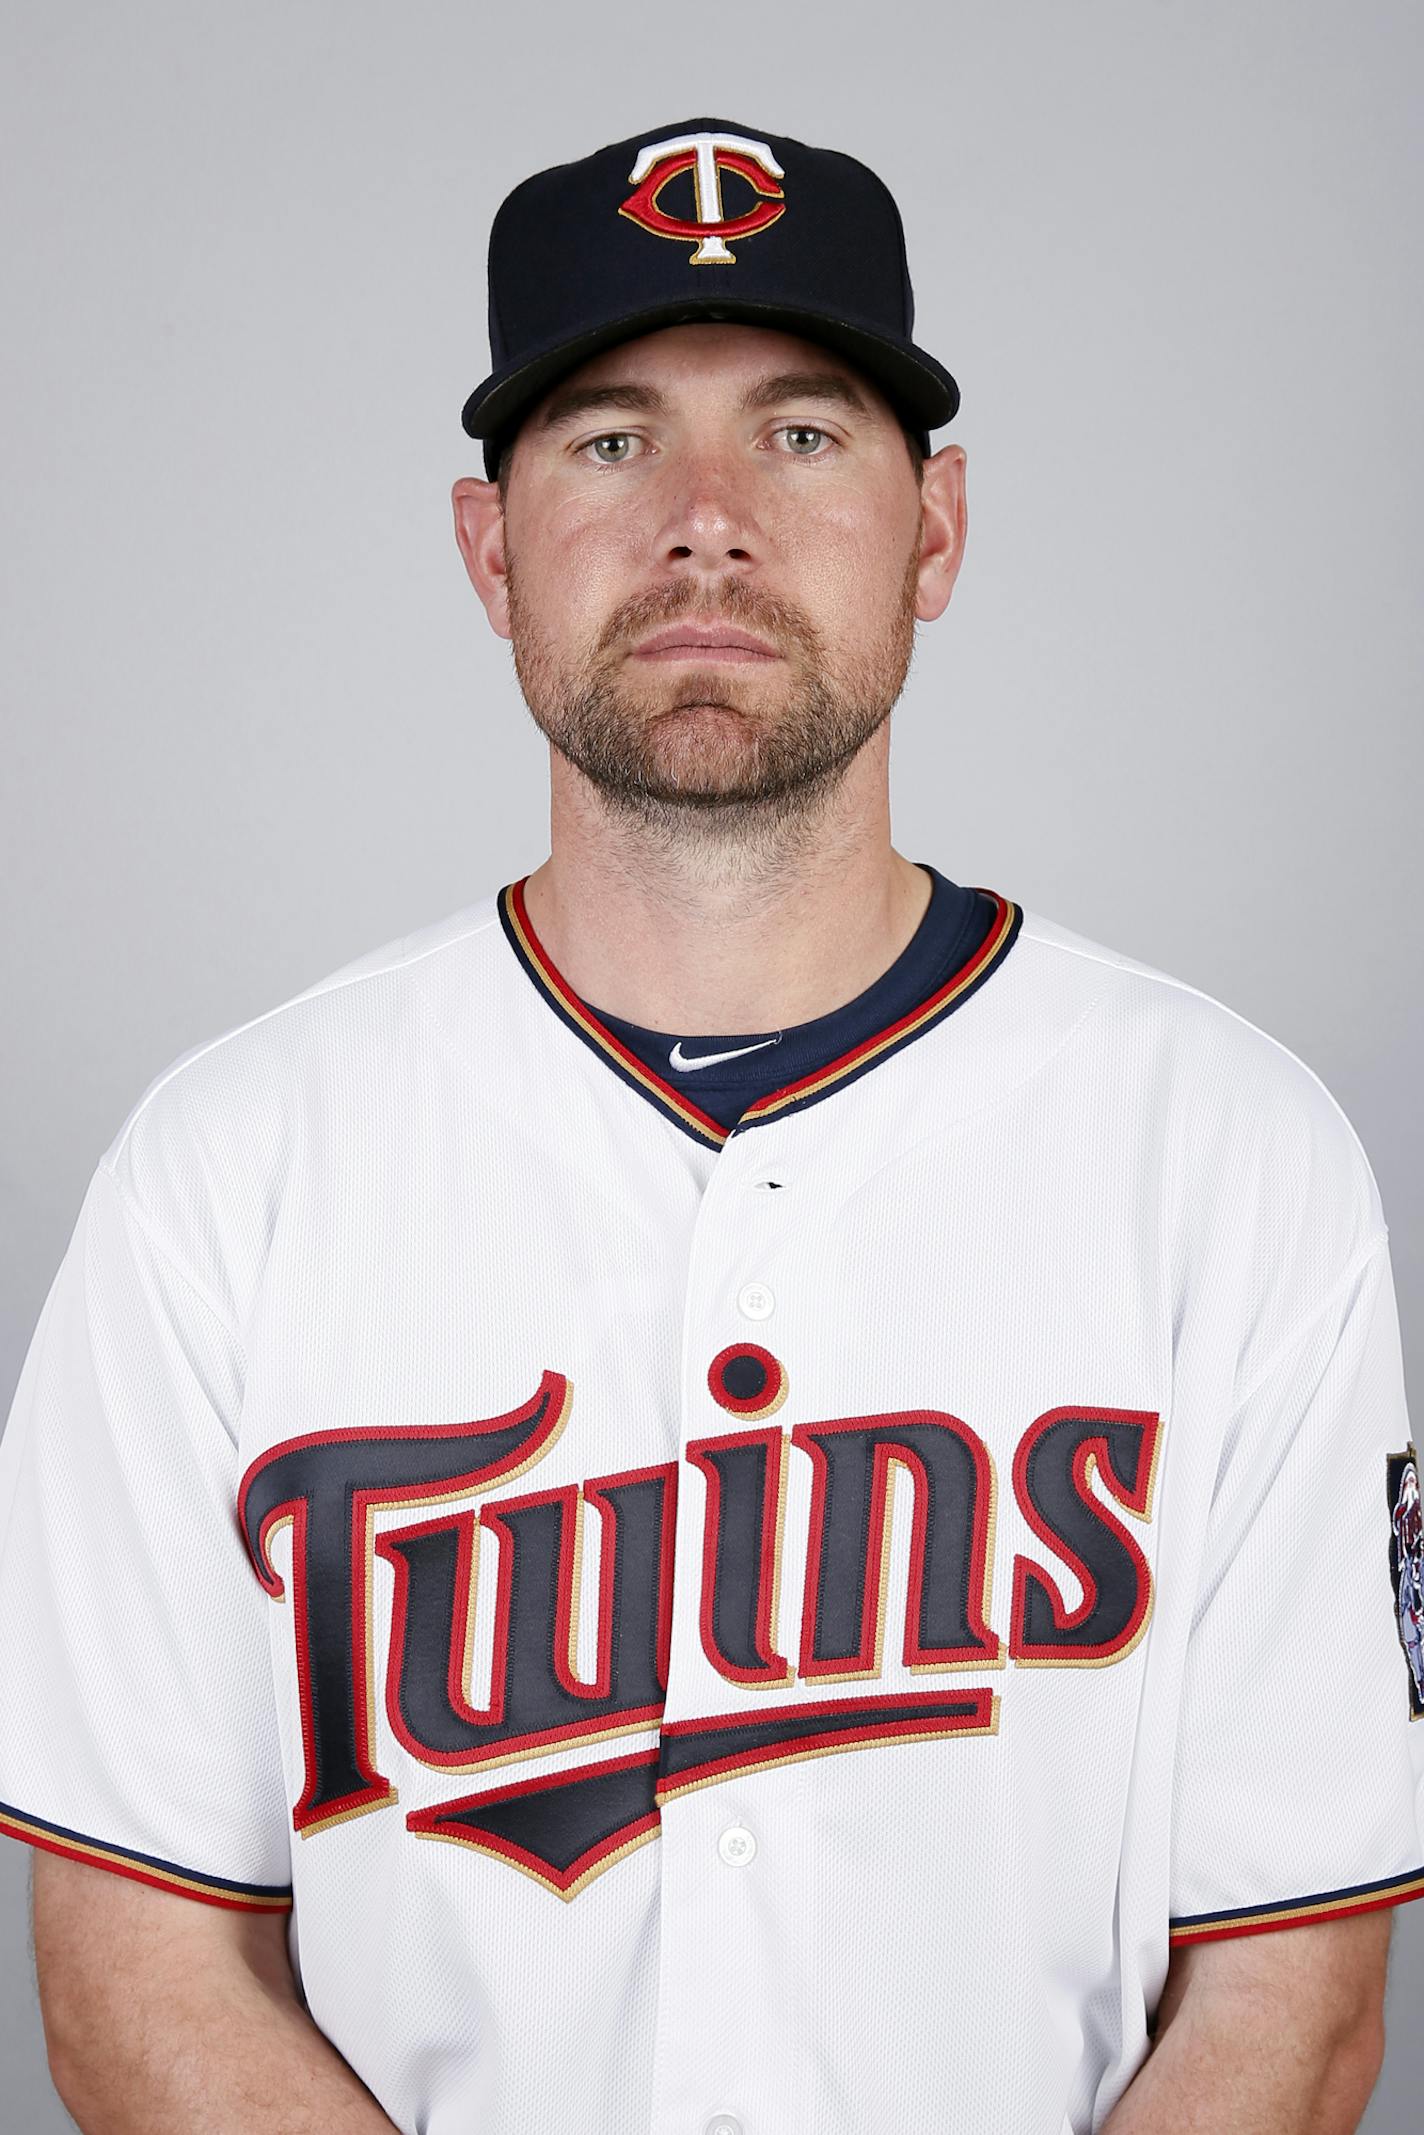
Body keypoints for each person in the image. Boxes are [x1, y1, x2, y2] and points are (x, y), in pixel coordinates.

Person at [0, 115, 1419, 2135]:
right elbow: (137, 1980)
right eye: (605, 439)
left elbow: (1290, 2007)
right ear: (489, 549)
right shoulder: (220, 1181)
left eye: (801, 433)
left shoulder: (1228, 1159)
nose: (702, 520)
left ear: (934, 528)